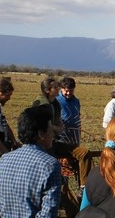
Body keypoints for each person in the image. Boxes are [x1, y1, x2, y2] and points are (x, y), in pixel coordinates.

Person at [0, 106, 62, 217]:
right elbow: (49, 211)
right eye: (50, 130)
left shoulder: (3, 159)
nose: (53, 134)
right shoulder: (50, 165)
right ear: (41, 134)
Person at [32, 77, 93, 216]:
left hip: (63, 139)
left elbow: (60, 124)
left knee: (84, 153)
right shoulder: (42, 103)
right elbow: (46, 126)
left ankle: (83, 188)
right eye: (58, 88)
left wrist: (56, 128)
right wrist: (55, 129)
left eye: (67, 89)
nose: (62, 91)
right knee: (58, 173)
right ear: (49, 90)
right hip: (46, 143)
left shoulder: (58, 104)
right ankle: (65, 205)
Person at [56, 77, 81, 145]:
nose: (69, 93)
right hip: (62, 135)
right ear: (61, 89)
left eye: (71, 90)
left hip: (75, 135)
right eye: (66, 91)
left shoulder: (76, 101)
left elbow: (78, 117)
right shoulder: (56, 101)